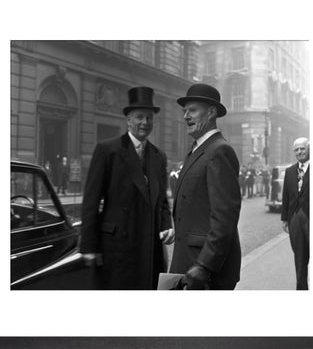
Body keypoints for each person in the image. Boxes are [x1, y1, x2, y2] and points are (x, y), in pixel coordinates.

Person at [80, 86, 174, 290]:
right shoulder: (108, 150)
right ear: (128, 120)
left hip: (149, 245)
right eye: (139, 117)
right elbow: (91, 200)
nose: (145, 123)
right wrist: (89, 245)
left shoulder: (158, 156)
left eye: (149, 118)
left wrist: (166, 224)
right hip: (117, 246)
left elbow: (162, 201)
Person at [169, 83, 242, 290]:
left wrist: (204, 265)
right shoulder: (198, 149)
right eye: (185, 111)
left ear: (211, 113)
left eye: (192, 110)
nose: (186, 116)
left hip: (205, 268)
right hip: (189, 260)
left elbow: (225, 217)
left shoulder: (219, 151)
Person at [281, 137, 310, 290]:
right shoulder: (290, 171)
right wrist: (285, 219)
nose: (299, 152)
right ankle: (302, 288)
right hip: (295, 220)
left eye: (303, 148)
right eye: (296, 149)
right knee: (299, 258)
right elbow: (286, 195)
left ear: (309, 148)